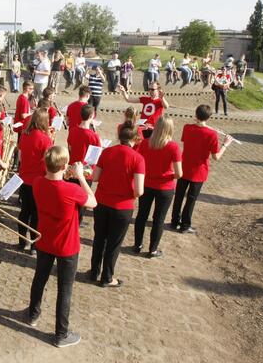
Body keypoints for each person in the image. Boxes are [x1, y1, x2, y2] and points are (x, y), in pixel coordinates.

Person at [27, 146, 96, 348]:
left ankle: (32, 314)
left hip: (44, 241)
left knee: (40, 278)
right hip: (66, 246)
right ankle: (61, 334)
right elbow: (93, 202)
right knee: (65, 289)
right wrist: (81, 177)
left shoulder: (38, 182)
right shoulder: (72, 189)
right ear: (65, 165)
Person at [88, 122, 145, 288]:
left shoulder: (107, 152)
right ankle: (107, 277)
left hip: (102, 202)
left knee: (99, 238)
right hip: (123, 206)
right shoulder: (138, 159)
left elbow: (96, 177)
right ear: (135, 138)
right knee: (114, 243)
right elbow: (140, 190)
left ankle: (94, 271)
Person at [171, 105, 233, 234]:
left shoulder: (187, 128)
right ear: (209, 117)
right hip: (199, 171)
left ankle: (174, 221)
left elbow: (189, 137)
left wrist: (203, 126)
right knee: (191, 199)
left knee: (179, 196)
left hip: (185, 167)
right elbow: (216, 156)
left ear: (196, 114)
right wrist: (225, 145)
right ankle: (185, 225)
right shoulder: (212, 134)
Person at [133, 117, 182, 257]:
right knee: (159, 219)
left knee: (142, 215)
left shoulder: (146, 143)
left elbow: (138, 163)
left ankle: (138, 245)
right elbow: (179, 173)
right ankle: (152, 249)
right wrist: (170, 175)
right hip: (165, 187)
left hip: (146, 184)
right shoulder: (173, 147)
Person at [17, 108, 53, 254]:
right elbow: (47, 163)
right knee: (36, 214)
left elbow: (20, 158)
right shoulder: (45, 139)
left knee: (24, 212)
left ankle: (21, 241)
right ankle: (34, 246)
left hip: (24, 179)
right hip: (38, 181)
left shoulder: (24, 136)